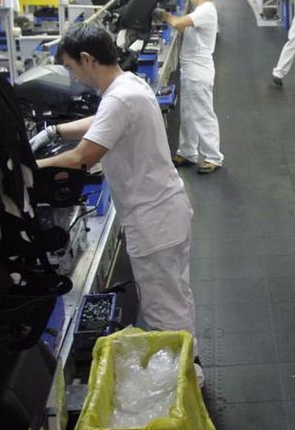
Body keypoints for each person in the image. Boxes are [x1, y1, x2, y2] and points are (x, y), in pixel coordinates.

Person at [32, 23, 200, 378]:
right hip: (165, 210)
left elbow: (82, 158)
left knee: (163, 309)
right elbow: (102, 122)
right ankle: (186, 362)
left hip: (153, 221)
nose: (73, 76)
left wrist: (28, 165)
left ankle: (182, 380)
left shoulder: (120, 97)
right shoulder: (128, 85)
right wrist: (55, 130)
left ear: (87, 59)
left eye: (71, 67)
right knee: (175, 297)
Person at [156, 0, 223, 174]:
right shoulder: (201, 10)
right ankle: (187, 152)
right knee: (188, 114)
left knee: (202, 113)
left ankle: (213, 157)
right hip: (191, 68)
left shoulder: (206, 10)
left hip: (198, 70)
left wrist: (163, 15)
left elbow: (177, 24)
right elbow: (187, 30)